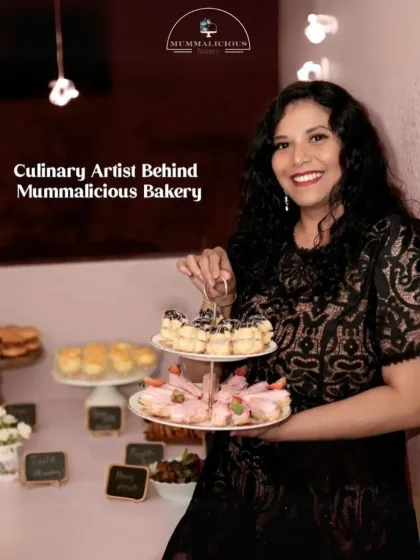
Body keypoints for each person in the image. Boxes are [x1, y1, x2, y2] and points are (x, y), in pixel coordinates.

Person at [162, 80, 420, 559]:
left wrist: (278, 428)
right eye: (283, 144)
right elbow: (201, 380)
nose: (298, 157)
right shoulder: (254, 246)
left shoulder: (391, 243)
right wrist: (220, 304)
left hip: (343, 513)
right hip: (236, 500)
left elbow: (412, 401)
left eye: (317, 137)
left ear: (351, 148)